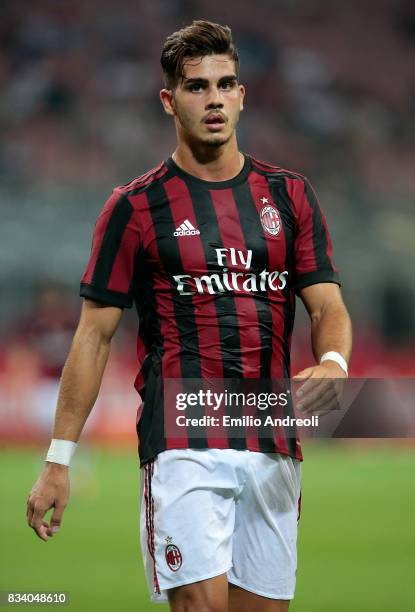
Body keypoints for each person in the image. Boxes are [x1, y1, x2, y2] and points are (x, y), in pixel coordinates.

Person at [27, 20, 352, 612]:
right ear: (169, 100)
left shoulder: (290, 196)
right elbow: (93, 337)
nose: (215, 100)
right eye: (198, 87)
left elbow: (326, 302)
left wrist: (332, 361)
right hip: (183, 440)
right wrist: (58, 460)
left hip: (273, 438)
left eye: (226, 84)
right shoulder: (134, 207)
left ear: (243, 95)